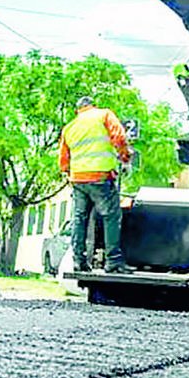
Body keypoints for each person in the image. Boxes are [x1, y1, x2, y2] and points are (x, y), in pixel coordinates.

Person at [59, 96, 133, 274]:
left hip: (78, 180)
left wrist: (70, 173)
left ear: (78, 110)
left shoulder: (69, 127)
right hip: (100, 177)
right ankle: (113, 261)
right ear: (92, 105)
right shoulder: (104, 115)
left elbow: (63, 160)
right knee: (111, 216)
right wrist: (125, 157)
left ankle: (78, 260)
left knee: (79, 219)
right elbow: (119, 137)